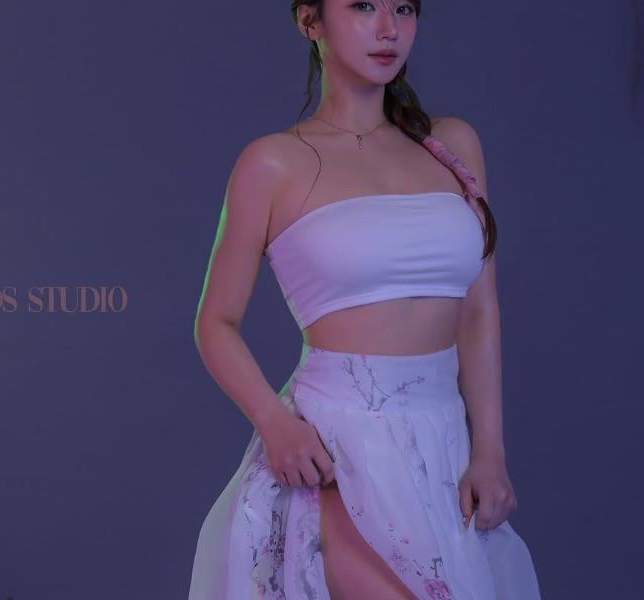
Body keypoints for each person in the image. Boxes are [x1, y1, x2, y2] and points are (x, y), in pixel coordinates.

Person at [188, 1, 542, 598]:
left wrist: (490, 450)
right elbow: (215, 322)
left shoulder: (451, 145)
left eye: (403, 8)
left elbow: (479, 311)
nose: (388, 29)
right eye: (362, 6)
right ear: (310, 21)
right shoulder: (271, 163)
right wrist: (274, 423)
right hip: (334, 448)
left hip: (446, 449)